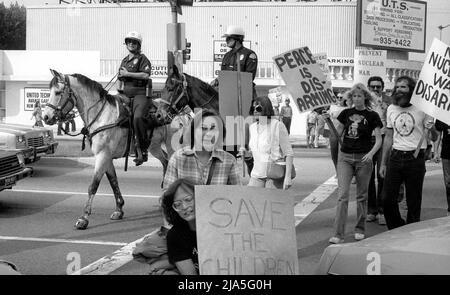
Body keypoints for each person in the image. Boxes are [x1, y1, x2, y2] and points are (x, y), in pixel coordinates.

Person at [380, 76, 438, 230]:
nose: (399, 90)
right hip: (396, 157)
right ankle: (397, 228)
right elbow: (388, 137)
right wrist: (384, 163)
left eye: (403, 87)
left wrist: (431, 128)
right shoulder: (391, 109)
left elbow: (435, 137)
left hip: (415, 157)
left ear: (411, 90)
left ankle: (411, 232)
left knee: (413, 201)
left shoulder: (423, 109)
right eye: (397, 87)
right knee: (386, 199)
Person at [327, 83, 383, 244]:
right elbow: (337, 134)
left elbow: (379, 140)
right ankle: (338, 233)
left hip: (363, 159)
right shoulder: (345, 113)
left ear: (365, 97)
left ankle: (360, 228)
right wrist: (327, 121)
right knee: (342, 196)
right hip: (345, 157)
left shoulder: (372, 116)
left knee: (361, 196)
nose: (356, 98)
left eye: (359, 95)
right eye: (354, 96)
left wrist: (371, 155)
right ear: (350, 99)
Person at [163, 109, 241, 189]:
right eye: (203, 128)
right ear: (193, 131)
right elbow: (167, 195)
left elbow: (238, 195)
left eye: (213, 129)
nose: (208, 133)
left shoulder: (229, 161)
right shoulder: (178, 158)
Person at [117, 31, 152, 166]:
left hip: (140, 93)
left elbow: (145, 75)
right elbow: (121, 77)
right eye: (129, 41)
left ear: (138, 44)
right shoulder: (124, 60)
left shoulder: (143, 59)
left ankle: (142, 150)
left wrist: (128, 73)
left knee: (137, 118)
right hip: (125, 94)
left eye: (134, 42)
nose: (131, 44)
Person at [247, 96, 294, 190]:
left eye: (258, 108)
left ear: (266, 109)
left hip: (273, 175)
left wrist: (288, 177)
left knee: (272, 204)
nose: (255, 111)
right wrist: (246, 153)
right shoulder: (252, 127)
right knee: (252, 201)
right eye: (253, 108)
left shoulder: (277, 125)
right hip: (256, 174)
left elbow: (288, 153)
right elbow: (255, 151)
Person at [366, 76, 392, 225]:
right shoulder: (365, 101)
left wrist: (385, 108)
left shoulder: (389, 100)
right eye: (373, 87)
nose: (375, 89)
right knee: (368, 176)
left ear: (382, 87)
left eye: (378, 87)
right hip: (368, 141)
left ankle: (382, 210)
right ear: (368, 87)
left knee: (382, 175)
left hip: (383, 139)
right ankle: (371, 210)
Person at [161, 178, 200, 275]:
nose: (184, 207)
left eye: (188, 199)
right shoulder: (175, 236)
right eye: (177, 204)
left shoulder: (222, 226)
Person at [210, 25, 258, 101]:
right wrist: (217, 80)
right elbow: (224, 74)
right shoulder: (227, 56)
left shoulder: (249, 54)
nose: (226, 40)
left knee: (255, 110)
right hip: (228, 93)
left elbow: (249, 77)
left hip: (245, 93)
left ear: (237, 39)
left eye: (229, 38)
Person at [328, 91, 348, 174]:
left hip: (344, 133)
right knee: (334, 153)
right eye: (338, 97)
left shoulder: (347, 108)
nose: (339, 99)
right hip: (333, 132)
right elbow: (328, 119)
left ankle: (344, 172)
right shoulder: (332, 107)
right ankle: (337, 171)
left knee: (342, 154)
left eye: (341, 97)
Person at [433, 120, 450, 216]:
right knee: (448, 183)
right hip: (447, 154)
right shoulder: (442, 114)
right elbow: (438, 135)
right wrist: (435, 152)